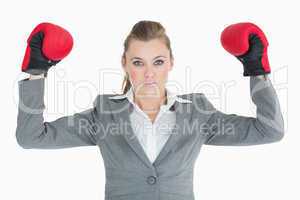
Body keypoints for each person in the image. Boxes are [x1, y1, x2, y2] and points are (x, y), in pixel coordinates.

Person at [16, 20, 284, 200]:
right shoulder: (104, 113)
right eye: (137, 62)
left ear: (170, 63)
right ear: (124, 64)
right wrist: (36, 73)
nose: (148, 74)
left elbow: (269, 131)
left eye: (157, 62)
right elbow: (31, 137)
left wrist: (257, 71)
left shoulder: (198, 113)